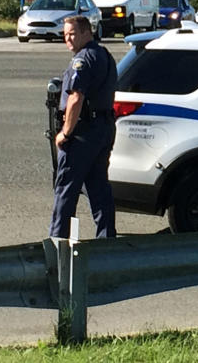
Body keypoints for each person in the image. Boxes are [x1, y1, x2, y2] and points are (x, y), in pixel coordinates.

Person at [49, 14, 118, 239]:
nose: (68, 39)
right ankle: (107, 241)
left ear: (87, 32)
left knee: (66, 190)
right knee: (99, 187)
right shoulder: (104, 55)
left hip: (83, 133)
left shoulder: (83, 59)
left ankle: (57, 242)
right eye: (65, 35)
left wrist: (65, 133)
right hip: (104, 128)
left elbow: (76, 97)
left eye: (72, 34)